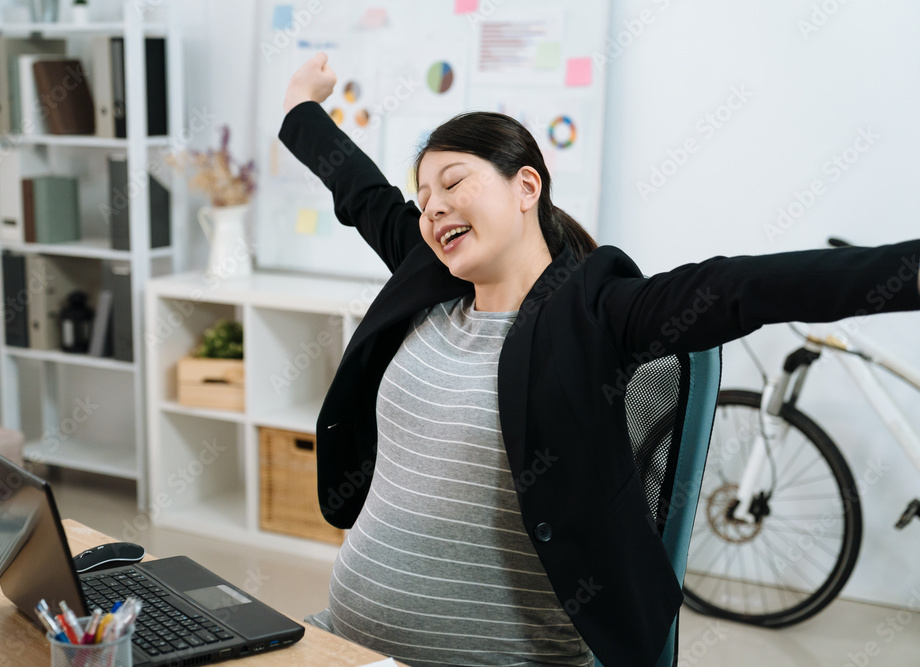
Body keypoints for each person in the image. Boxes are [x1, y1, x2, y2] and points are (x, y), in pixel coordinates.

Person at [278, 52, 920, 667]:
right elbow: (358, 189)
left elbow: (745, 286)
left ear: (525, 186)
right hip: (343, 640)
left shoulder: (594, 313)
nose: (432, 207)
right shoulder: (429, 280)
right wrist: (300, 106)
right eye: (423, 200)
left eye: (453, 183)